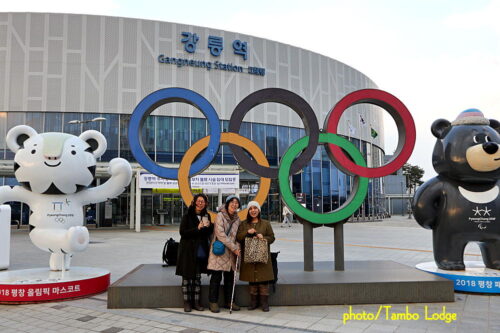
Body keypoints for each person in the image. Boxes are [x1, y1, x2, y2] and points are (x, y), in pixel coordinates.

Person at [175, 193, 213, 312]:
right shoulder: (187, 215)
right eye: (199, 201)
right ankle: (187, 302)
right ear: (194, 202)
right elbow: (183, 232)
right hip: (187, 250)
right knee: (187, 277)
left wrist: (209, 227)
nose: (201, 203)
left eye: (203, 202)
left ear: (206, 204)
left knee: (197, 277)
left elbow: (206, 234)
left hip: (200, 250)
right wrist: (197, 228)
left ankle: (196, 302)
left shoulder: (206, 215)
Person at [237, 201, 275, 311]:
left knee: (263, 280)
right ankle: (253, 302)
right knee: (252, 280)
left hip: (263, 256)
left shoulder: (266, 223)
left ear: (259, 210)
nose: (253, 210)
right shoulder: (243, 224)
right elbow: (238, 238)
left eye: (255, 208)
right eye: (251, 209)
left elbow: (272, 238)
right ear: (248, 211)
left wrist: (263, 238)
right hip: (249, 256)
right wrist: (247, 233)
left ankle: (264, 303)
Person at [207, 195, 241, 313]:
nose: (234, 204)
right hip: (220, 252)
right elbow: (220, 234)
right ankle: (213, 302)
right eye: (232, 202)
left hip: (231, 253)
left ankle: (230, 302)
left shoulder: (237, 219)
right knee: (216, 277)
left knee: (230, 278)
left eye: (236, 202)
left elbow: (238, 236)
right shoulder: (220, 216)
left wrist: (238, 247)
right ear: (227, 204)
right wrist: (233, 247)